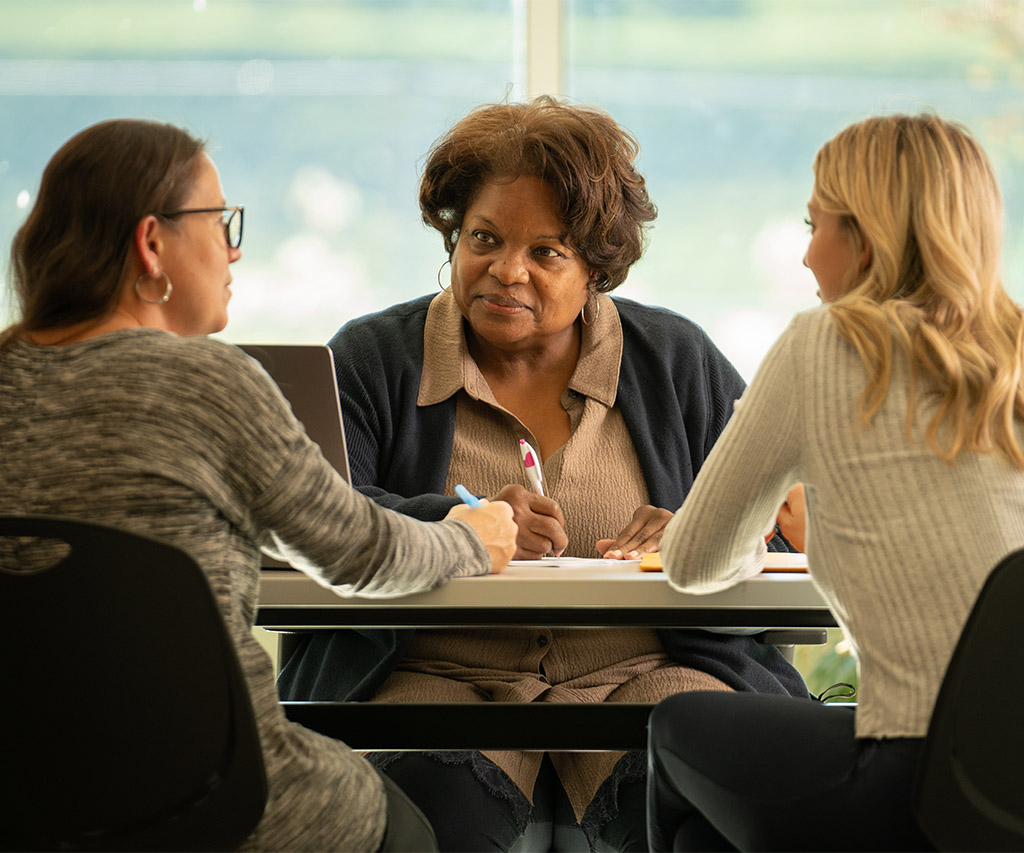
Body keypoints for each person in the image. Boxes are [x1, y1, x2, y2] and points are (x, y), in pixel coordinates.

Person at [276, 97, 809, 852]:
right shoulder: (369, 359)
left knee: (710, 824)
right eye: (483, 239)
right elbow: (320, 522)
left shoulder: (677, 361)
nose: (505, 270)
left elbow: (783, 546)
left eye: (546, 253)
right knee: (435, 823)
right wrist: (458, 523)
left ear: (598, 267)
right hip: (433, 677)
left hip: (650, 674)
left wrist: (702, 536)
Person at [0, 118, 519, 852]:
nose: (234, 248)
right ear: (153, 243)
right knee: (410, 828)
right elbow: (359, 553)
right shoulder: (207, 382)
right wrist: (467, 537)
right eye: (219, 222)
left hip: (24, 793)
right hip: (214, 792)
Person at [647, 113, 1024, 851]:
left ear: (865, 239)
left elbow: (693, 561)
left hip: (919, 774)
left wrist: (761, 527)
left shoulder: (826, 343)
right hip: (1008, 784)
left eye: (814, 223)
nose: (806, 256)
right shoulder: (1012, 349)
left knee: (674, 726)